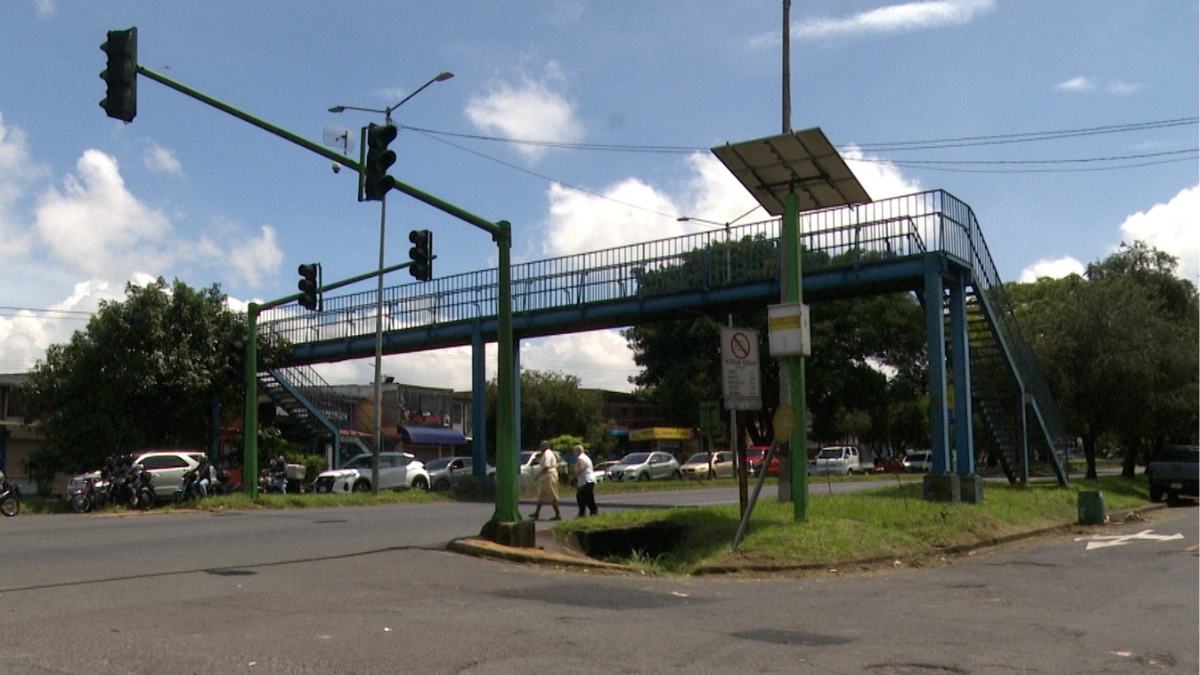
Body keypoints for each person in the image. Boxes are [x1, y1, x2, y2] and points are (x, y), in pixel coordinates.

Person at [528, 440, 561, 521]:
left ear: (544, 447)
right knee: (541, 496)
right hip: (545, 477)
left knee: (552, 494)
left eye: (541, 447)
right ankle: (536, 513)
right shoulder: (546, 454)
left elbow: (546, 467)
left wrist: (538, 475)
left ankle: (558, 514)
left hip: (549, 476)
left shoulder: (547, 454)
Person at [572, 444, 598, 518]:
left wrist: (573, 477)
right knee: (587, 498)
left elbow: (581, 467)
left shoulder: (581, 458)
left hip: (586, 481)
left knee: (582, 497)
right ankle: (590, 513)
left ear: (578, 451)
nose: (573, 453)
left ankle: (584, 514)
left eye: (574, 451)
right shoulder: (586, 457)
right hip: (588, 480)